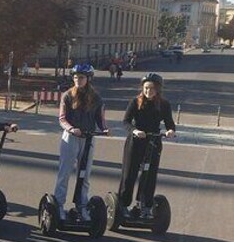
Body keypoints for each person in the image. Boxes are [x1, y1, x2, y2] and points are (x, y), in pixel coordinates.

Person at [118, 73, 176, 218]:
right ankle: (123, 205)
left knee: (149, 175)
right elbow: (126, 122)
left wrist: (170, 131)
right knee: (129, 174)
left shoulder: (164, 104)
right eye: (146, 88)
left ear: (158, 89)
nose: (148, 91)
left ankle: (144, 205)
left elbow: (170, 123)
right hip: (136, 141)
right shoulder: (135, 102)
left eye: (151, 88)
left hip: (154, 141)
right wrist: (135, 131)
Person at [54, 64, 107, 221]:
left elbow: (100, 118)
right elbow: (62, 118)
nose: (78, 80)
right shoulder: (68, 95)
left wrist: (104, 129)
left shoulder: (96, 97)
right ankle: (59, 205)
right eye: (76, 77)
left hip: (88, 138)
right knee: (64, 173)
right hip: (71, 137)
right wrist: (71, 129)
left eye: (81, 77)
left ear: (88, 79)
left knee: (84, 174)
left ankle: (82, 206)